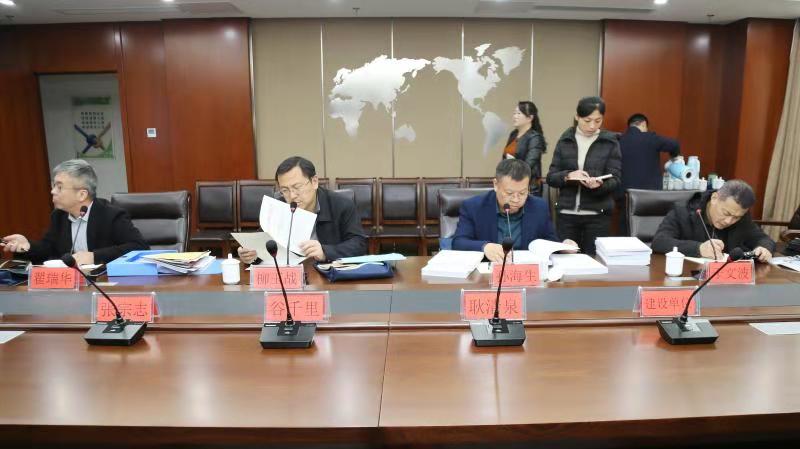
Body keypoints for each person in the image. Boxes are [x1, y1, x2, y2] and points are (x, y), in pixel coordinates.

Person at [2, 159, 148, 265]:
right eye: (54, 186)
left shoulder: (111, 215)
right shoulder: (59, 216)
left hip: (105, 284)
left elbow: (139, 247)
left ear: (82, 195)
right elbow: (48, 249)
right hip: (72, 286)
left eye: (59, 187)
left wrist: (94, 256)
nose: (53, 191)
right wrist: (27, 246)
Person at [237, 156, 367, 264]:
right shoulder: (280, 206)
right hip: (291, 274)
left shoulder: (342, 205)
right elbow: (261, 243)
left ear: (314, 181)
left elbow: (359, 244)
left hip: (329, 274)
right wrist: (251, 255)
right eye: (285, 190)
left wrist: (325, 252)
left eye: (297, 187)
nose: (292, 196)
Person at [452, 159, 577, 263]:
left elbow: (550, 241)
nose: (516, 199)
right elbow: (458, 242)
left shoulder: (539, 207)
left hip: (526, 273)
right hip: (488, 273)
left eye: (522, 193)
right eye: (509, 193)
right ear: (495, 185)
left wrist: (563, 246)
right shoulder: (473, 207)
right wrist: (485, 247)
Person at [545, 96, 621, 255]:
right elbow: (551, 177)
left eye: (598, 121)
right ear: (577, 117)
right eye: (587, 120)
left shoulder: (610, 142)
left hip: (597, 215)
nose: (592, 126)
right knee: (564, 262)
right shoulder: (565, 140)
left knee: (594, 262)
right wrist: (568, 176)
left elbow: (616, 179)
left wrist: (599, 185)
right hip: (566, 215)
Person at [651, 179, 775, 262]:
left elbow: (763, 239)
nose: (729, 221)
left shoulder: (741, 216)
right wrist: (698, 248)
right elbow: (659, 242)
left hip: (727, 282)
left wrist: (764, 248)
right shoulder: (683, 210)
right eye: (726, 213)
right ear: (715, 198)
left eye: (736, 217)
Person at [616, 113, 681, 234]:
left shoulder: (619, 140)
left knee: (625, 230)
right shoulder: (650, 137)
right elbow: (674, 144)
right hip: (649, 196)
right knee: (648, 231)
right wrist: (674, 157)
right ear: (643, 124)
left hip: (624, 195)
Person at [502, 101, 547, 196]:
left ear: (530, 118)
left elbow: (528, 164)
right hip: (510, 185)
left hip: (528, 188)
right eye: (514, 113)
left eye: (519, 113)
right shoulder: (513, 134)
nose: (515, 116)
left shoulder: (534, 137)